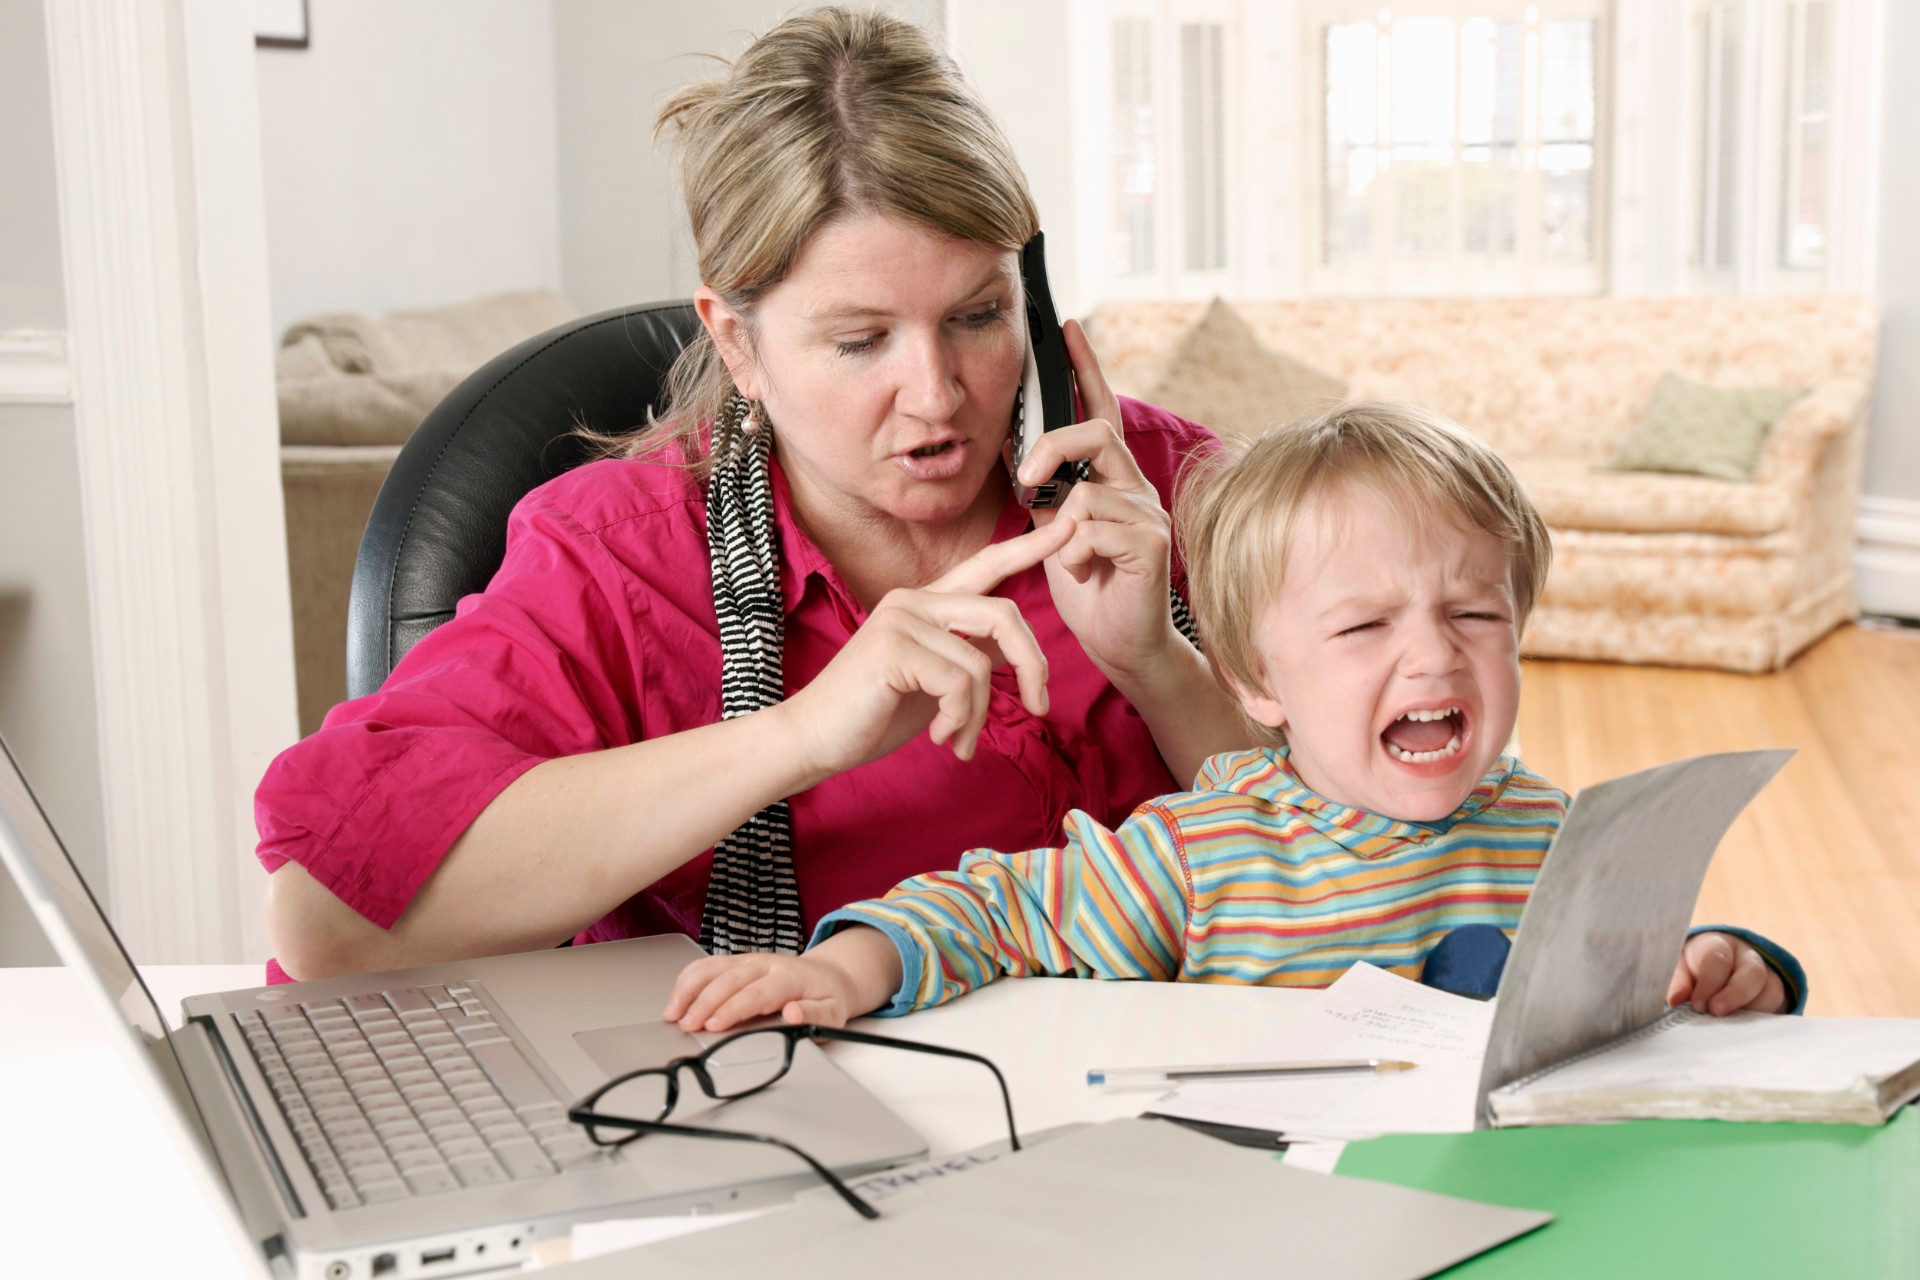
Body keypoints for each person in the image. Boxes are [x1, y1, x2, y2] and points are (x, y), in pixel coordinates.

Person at [254, 8, 1247, 981]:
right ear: (738, 343)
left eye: (978, 315)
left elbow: (1341, 852)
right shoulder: (617, 558)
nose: (938, 394)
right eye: (860, 340)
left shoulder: (1163, 485)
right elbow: (325, 921)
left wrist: (1161, 665)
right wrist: (800, 735)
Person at [662, 403, 1805, 1030]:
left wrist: (1732, 964)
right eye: (1364, 627)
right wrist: (850, 969)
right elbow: (996, 906)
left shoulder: (1556, 831)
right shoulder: (1203, 853)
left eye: (1474, 613)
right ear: (1256, 679)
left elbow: (1647, 980)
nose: (1432, 653)